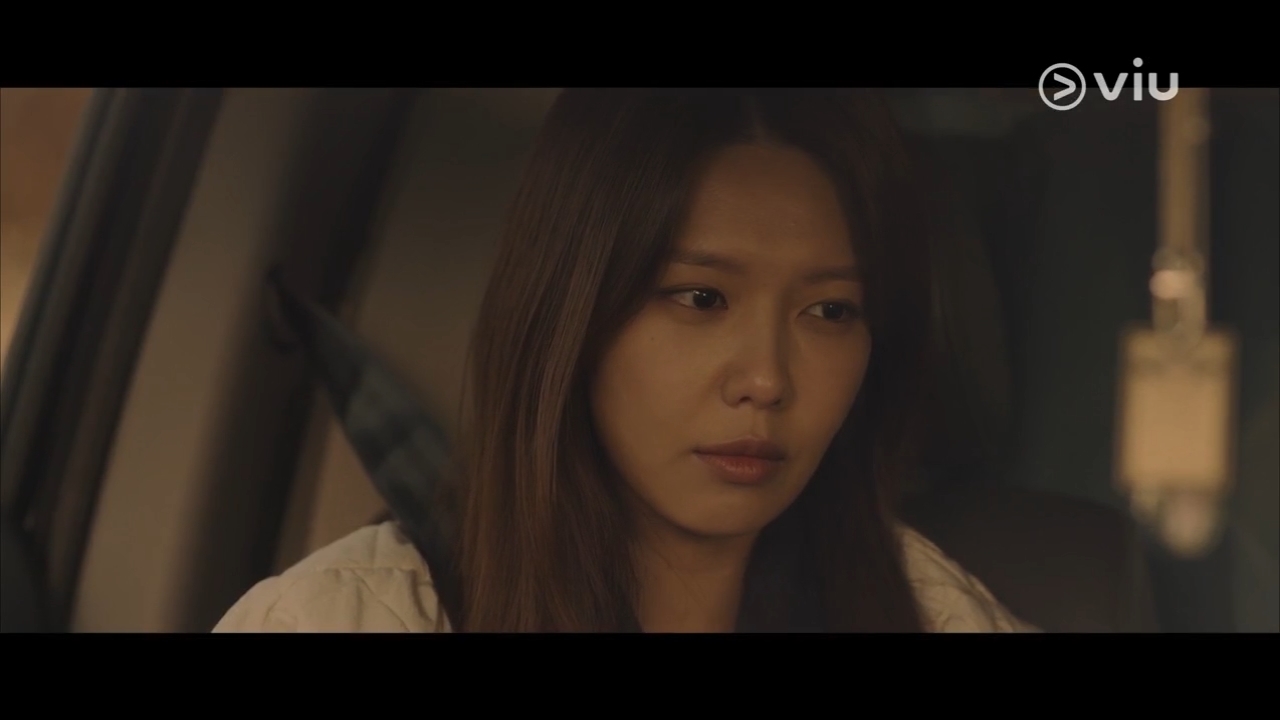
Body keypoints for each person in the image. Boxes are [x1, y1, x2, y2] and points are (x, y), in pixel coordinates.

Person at [215, 88, 1034, 632]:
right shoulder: (338, 619)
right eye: (701, 298)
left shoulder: (930, 612)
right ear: (571, 312)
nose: (766, 380)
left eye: (830, 311)